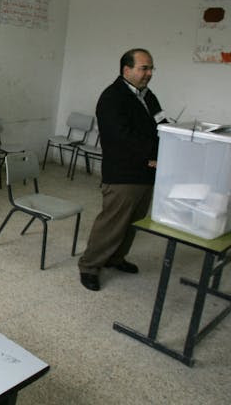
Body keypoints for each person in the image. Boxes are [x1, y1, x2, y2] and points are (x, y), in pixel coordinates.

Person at [78, 48, 167, 291]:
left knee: (134, 220)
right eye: (144, 68)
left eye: (151, 68)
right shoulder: (112, 97)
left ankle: (116, 258)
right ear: (126, 70)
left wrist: (170, 144)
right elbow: (120, 138)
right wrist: (150, 156)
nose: (149, 73)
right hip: (123, 173)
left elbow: (162, 124)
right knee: (112, 223)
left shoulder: (148, 96)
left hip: (147, 171)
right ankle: (89, 266)